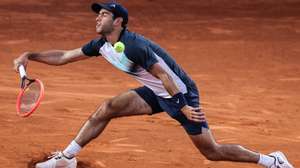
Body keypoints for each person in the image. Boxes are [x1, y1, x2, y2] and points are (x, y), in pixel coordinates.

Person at [13, 2, 294, 168]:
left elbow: (166, 77)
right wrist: (31, 55)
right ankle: (67, 158)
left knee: (211, 151)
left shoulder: (134, 46)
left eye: (103, 14)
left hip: (179, 93)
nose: (97, 17)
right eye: (97, 14)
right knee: (107, 108)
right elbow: (64, 56)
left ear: (118, 21)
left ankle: (273, 161)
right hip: (156, 92)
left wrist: (183, 107)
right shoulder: (101, 44)